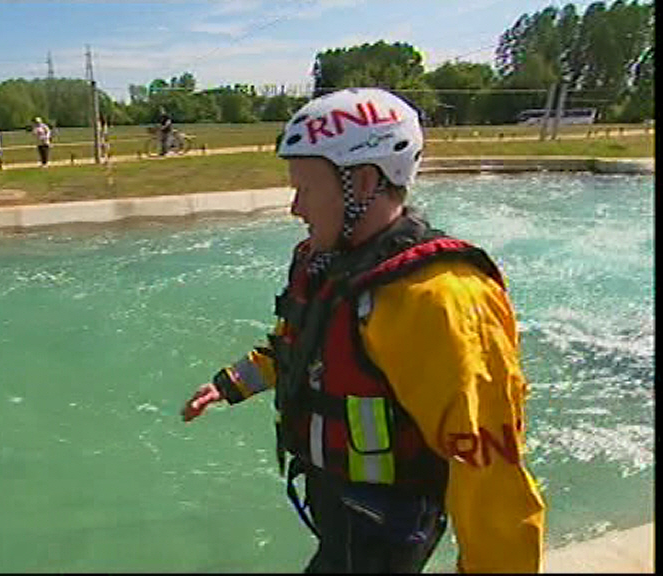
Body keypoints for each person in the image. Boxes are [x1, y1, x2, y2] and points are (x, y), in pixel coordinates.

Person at [180, 87, 545, 573]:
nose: (296, 208)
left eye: (306, 189)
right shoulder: (327, 263)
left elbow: (490, 474)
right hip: (343, 508)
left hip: (388, 527)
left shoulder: (439, 299)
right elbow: (297, 346)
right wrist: (230, 385)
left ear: (364, 182)